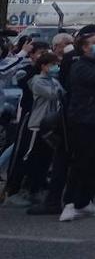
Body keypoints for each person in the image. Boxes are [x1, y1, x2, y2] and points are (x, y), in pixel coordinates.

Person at [60, 32, 95, 222]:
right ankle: (70, 203)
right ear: (84, 47)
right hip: (83, 120)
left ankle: (85, 200)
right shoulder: (80, 66)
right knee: (81, 162)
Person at [27, 33, 76, 216]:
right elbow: (56, 94)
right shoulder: (38, 81)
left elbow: (62, 92)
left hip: (52, 124)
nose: (55, 68)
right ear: (44, 66)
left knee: (47, 158)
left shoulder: (54, 80)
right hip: (38, 123)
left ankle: (39, 186)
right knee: (32, 156)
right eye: (52, 65)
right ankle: (29, 188)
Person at [2, 41, 48, 207]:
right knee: (20, 151)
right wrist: (23, 54)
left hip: (43, 117)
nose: (44, 56)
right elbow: (13, 76)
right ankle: (12, 190)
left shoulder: (48, 72)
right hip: (28, 116)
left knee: (38, 154)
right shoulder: (26, 70)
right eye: (41, 53)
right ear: (32, 54)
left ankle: (32, 187)